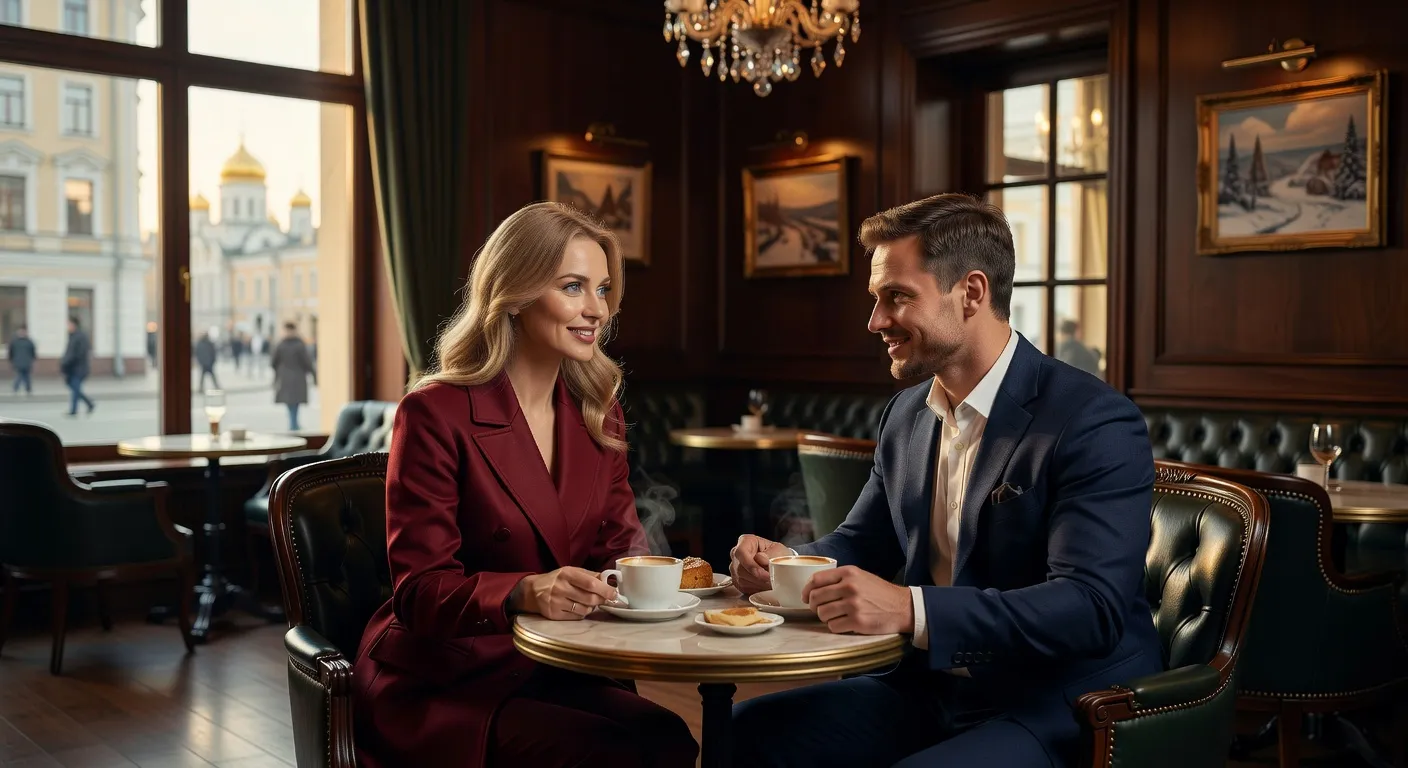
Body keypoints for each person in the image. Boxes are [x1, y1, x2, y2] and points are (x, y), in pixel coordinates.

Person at [729, 193, 1159, 768]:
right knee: (744, 731)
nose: (875, 321)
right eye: (876, 299)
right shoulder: (905, 414)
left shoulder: (1093, 420)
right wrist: (787, 563)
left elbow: (1090, 607)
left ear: (972, 293)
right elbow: (860, 544)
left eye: (897, 297)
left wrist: (912, 610)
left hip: (1061, 703)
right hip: (929, 690)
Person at [351, 202, 698, 768]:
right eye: (572, 287)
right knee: (613, 755)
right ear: (513, 293)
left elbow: (620, 551)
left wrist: (675, 586)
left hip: (555, 666)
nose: (597, 310)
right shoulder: (434, 412)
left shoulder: (597, 414)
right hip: (446, 680)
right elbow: (420, 591)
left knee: (669, 739)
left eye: (603, 289)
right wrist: (522, 591)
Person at [270, 322, 315, 431]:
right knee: (294, 403)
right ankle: (294, 424)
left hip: (285, 378)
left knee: (291, 403)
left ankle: (293, 424)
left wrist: (278, 374)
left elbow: (273, 362)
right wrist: (314, 374)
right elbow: (307, 362)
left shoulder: (281, 345)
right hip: (297, 377)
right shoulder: (299, 344)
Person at [60, 317, 95, 416]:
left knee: (75, 388)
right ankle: (89, 403)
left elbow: (77, 353)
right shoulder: (72, 336)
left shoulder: (80, 337)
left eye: (69, 324)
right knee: (74, 388)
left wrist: (67, 362)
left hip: (78, 367)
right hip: (72, 367)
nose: (68, 327)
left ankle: (74, 410)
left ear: (74, 325)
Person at [8, 325, 35, 395]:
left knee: (21, 375)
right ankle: (27, 389)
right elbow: (33, 352)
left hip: (19, 362)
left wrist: (11, 360)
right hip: (25, 362)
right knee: (25, 375)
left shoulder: (14, 342)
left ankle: (16, 388)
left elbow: (10, 352)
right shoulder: (29, 341)